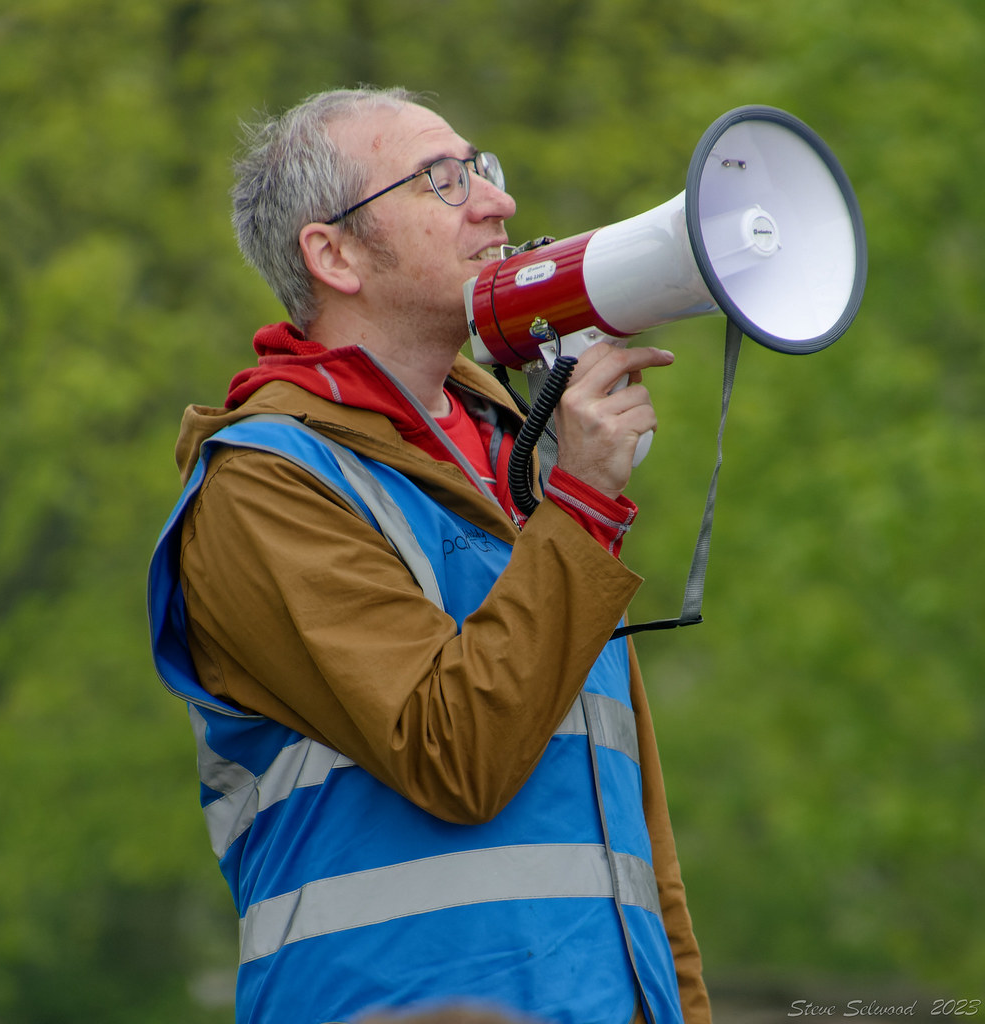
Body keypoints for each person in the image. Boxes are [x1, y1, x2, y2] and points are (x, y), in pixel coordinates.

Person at [148, 86, 711, 1024]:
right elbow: (455, 757)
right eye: (441, 180)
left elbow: (639, 835)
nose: (498, 202)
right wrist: (579, 504)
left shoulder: (514, 455)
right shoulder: (264, 485)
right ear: (332, 255)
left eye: (481, 168)